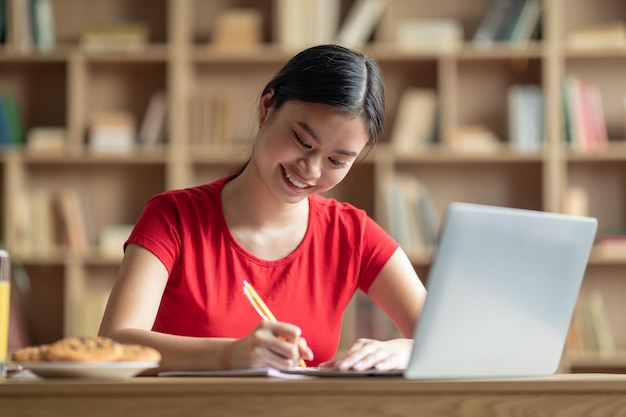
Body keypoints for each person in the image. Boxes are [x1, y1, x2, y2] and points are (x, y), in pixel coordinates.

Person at [99, 44, 427, 373]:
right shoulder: (173, 218)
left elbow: (451, 338)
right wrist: (230, 356)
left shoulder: (352, 234)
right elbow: (115, 342)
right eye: (302, 141)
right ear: (266, 108)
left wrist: (405, 350)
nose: (311, 170)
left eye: (337, 160)